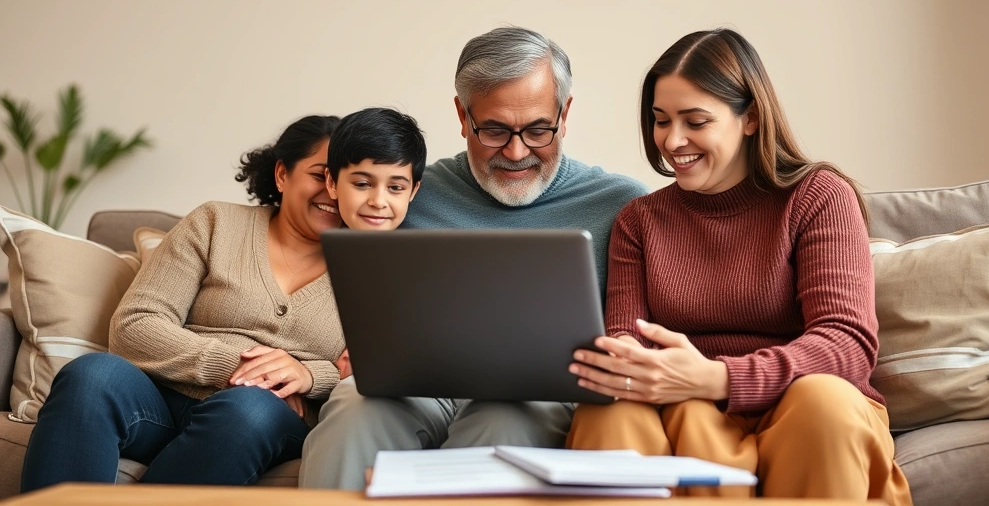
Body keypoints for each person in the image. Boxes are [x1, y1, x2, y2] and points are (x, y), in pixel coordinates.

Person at [564, 29, 912, 504]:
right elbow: (627, 337)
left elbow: (846, 343)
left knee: (823, 402)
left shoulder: (818, 197)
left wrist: (719, 377)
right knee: (610, 412)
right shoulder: (639, 220)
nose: (673, 140)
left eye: (696, 121)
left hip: (804, 411)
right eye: (661, 120)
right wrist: (629, 357)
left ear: (749, 118)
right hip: (684, 409)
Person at [300, 26, 649, 490]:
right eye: (495, 130)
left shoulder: (621, 204)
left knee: (504, 423)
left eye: (538, 130)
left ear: (564, 115)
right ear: (463, 116)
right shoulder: (408, 195)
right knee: (352, 408)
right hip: (420, 387)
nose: (516, 151)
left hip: (540, 397)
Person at [21, 115, 348, 490]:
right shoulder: (216, 223)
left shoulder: (368, 266)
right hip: (162, 399)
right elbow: (135, 324)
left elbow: (364, 369)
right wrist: (240, 369)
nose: (332, 191)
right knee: (92, 375)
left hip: (263, 419)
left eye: (344, 179)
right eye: (320, 174)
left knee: (249, 409)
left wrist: (307, 376)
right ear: (282, 175)